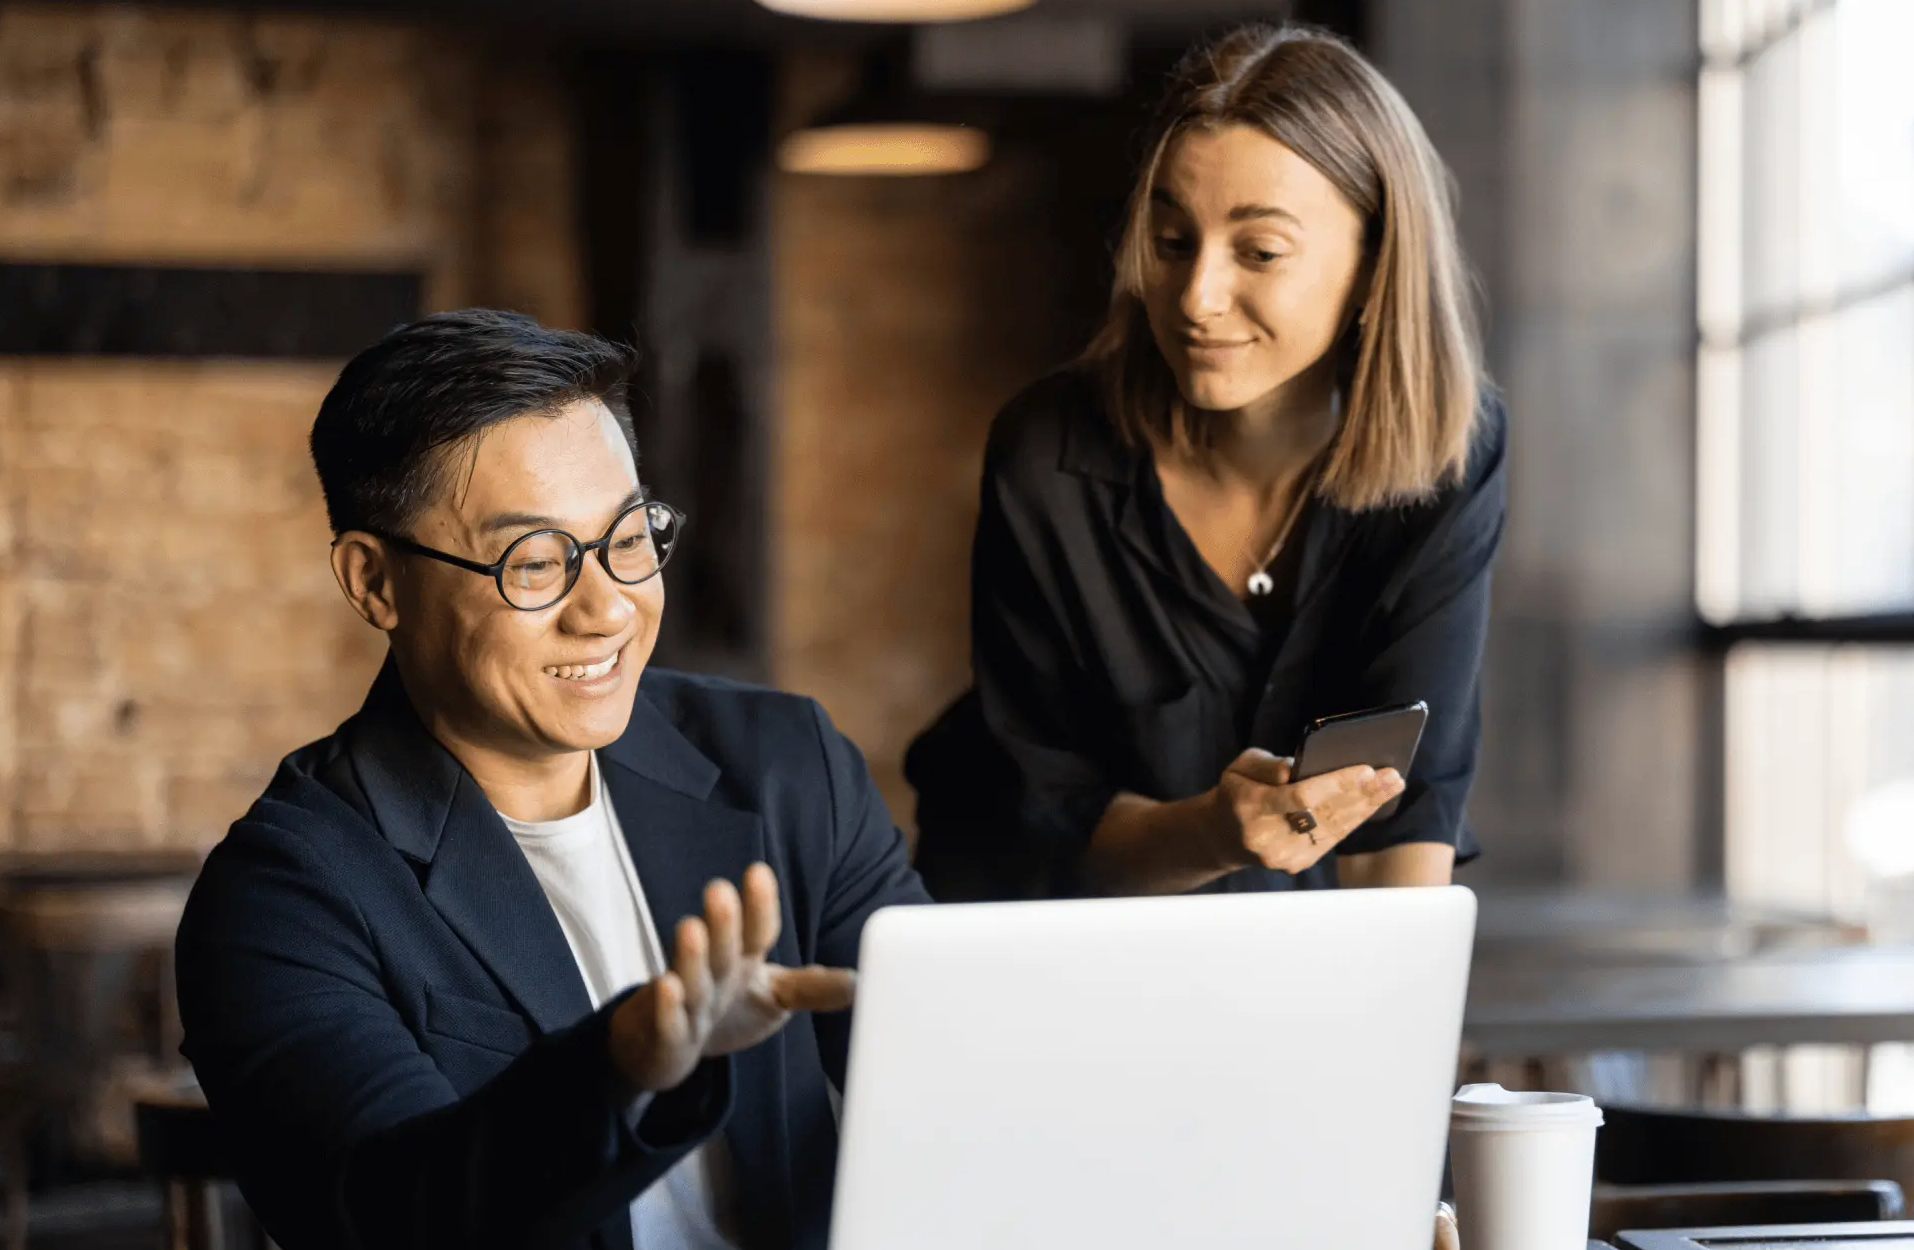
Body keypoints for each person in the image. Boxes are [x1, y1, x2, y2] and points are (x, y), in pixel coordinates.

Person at [174, 309, 930, 1250]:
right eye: (535, 562)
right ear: (374, 581)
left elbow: (947, 1072)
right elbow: (390, 1214)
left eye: (628, 535)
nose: (609, 606)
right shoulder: (286, 895)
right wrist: (622, 1061)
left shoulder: (785, 767)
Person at [906, 23, 1507, 902]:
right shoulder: (1049, 454)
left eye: (1259, 252)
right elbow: (1050, 827)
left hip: (1288, 960)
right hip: (1045, 929)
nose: (1195, 298)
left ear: (1377, 263)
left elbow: (1406, 813)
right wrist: (1220, 832)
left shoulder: (1453, 448)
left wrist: (1393, 1024)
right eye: (1173, 241)